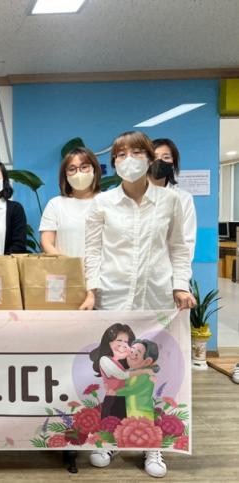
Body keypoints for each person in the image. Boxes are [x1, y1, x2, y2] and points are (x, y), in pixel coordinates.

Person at [82, 131, 196, 478]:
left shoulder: (170, 201)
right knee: (113, 376)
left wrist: (180, 286)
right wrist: (91, 291)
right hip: (113, 298)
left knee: (151, 375)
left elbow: (178, 247)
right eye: (120, 154)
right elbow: (93, 251)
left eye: (135, 152)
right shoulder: (102, 203)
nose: (127, 159)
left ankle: (152, 444)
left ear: (150, 158)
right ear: (113, 163)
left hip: (156, 298)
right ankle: (110, 438)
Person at [40, 147, 101, 257]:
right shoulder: (55, 204)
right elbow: (47, 243)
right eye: (72, 169)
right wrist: (68, 265)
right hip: (64, 267)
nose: (79, 173)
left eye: (84, 167)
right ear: (65, 174)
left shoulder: (107, 201)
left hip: (101, 267)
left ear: (94, 169)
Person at [150, 138, 197, 262]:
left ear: (173, 163)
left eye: (166, 157)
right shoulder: (135, 195)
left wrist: (178, 271)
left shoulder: (183, 198)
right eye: (154, 157)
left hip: (170, 269)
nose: (159, 161)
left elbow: (187, 241)